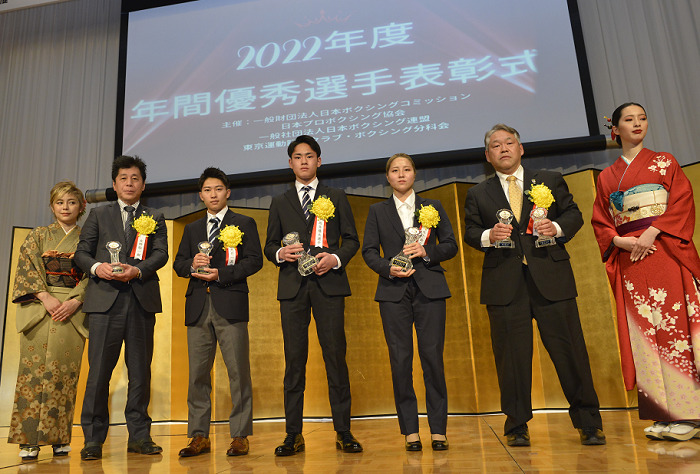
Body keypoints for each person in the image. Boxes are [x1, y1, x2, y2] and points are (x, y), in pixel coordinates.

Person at [464, 124, 605, 447]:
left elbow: (573, 214)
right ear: (487, 156)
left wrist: (556, 227)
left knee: (570, 353)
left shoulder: (550, 180)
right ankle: (516, 425)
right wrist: (488, 235)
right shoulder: (478, 193)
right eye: (496, 145)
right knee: (511, 359)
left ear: (521, 148)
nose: (503, 149)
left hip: (551, 278)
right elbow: (471, 231)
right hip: (505, 284)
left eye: (509, 142)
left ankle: (588, 422)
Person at [591, 103, 700, 441]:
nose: (637, 123)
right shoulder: (606, 177)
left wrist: (653, 231)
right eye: (629, 119)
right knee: (644, 334)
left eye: (642, 118)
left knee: (672, 327)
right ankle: (662, 413)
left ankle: (689, 413)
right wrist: (618, 240)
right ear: (616, 129)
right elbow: (601, 220)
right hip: (631, 258)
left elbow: (682, 201)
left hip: (663, 250)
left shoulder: (664, 162)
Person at [264, 135, 363, 456]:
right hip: (292, 287)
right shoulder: (280, 202)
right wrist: (280, 253)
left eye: (309, 156)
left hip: (329, 285)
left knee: (335, 357)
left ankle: (343, 431)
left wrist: (335, 258)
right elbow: (269, 245)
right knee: (294, 361)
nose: (303, 161)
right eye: (298, 156)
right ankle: (293, 434)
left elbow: (351, 240)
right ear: (290, 163)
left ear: (319, 161)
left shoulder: (336, 196)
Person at [75, 155, 168, 460]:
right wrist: (98, 267)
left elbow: (161, 254)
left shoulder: (155, 216)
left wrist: (137, 270)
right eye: (123, 179)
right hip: (104, 303)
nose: (129, 184)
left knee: (140, 372)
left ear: (143, 185)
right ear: (114, 185)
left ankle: (139, 436)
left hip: (141, 301)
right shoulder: (98, 215)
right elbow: (81, 253)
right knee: (99, 373)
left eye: (135, 179)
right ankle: (93, 439)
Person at [362, 153, 457, 451]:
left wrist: (427, 252)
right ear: (387, 177)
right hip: (393, 292)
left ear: (415, 174)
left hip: (430, 290)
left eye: (406, 169)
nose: (401, 174)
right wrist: (387, 268)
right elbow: (368, 251)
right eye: (395, 170)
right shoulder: (377, 211)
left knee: (432, 359)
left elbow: (451, 245)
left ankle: (438, 430)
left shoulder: (433, 206)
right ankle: (410, 432)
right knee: (401, 361)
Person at [173, 167, 263, 457]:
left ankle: (239, 435)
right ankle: (199, 435)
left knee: (238, 372)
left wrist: (221, 274)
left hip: (230, 304)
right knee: (197, 375)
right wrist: (192, 264)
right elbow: (178, 264)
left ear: (228, 192)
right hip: (198, 307)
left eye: (218, 189)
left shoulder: (244, 223)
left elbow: (254, 261)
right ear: (201, 195)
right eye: (207, 190)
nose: (213, 194)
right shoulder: (192, 229)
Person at [8, 182, 88, 461]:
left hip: (71, 310)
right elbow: (26, 268)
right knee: (32, 373)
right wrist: (45, 296)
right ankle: (28, 439)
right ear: (52, 206)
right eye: (60, 202)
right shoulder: (39, 235)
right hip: (40, 307)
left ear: (81, 207)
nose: (65, 207)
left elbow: (93, 273)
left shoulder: (88, 238)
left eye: (72, 202)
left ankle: (60, 438)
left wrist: (76, 300)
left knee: (64, 375)